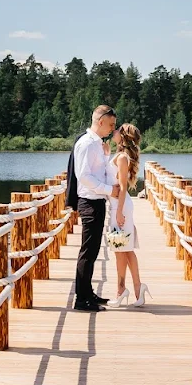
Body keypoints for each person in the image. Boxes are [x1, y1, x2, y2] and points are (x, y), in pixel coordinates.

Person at [68, 105, 119, 312]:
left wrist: (106, 157)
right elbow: (84, 176)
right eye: (111, 124)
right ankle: (81, 299)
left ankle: (87, 293)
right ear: (100, 122)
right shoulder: (87, 144)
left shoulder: (97, 144)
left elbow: (96, 171)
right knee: (87, 252)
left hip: (96, 201)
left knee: (93, 250)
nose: (112, 129)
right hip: (89, 202)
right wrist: (109, 190)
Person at [106, 123, 150, 307]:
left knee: (120, 251)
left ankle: (121, 290)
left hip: (120, 206)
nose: (114, 131)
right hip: (119, 205)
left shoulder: (122, 158)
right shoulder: (119, 156)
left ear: (123, 137)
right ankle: (138, 289)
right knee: (126, 249)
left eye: (117, 130)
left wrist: (118, 212)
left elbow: (123, 188)